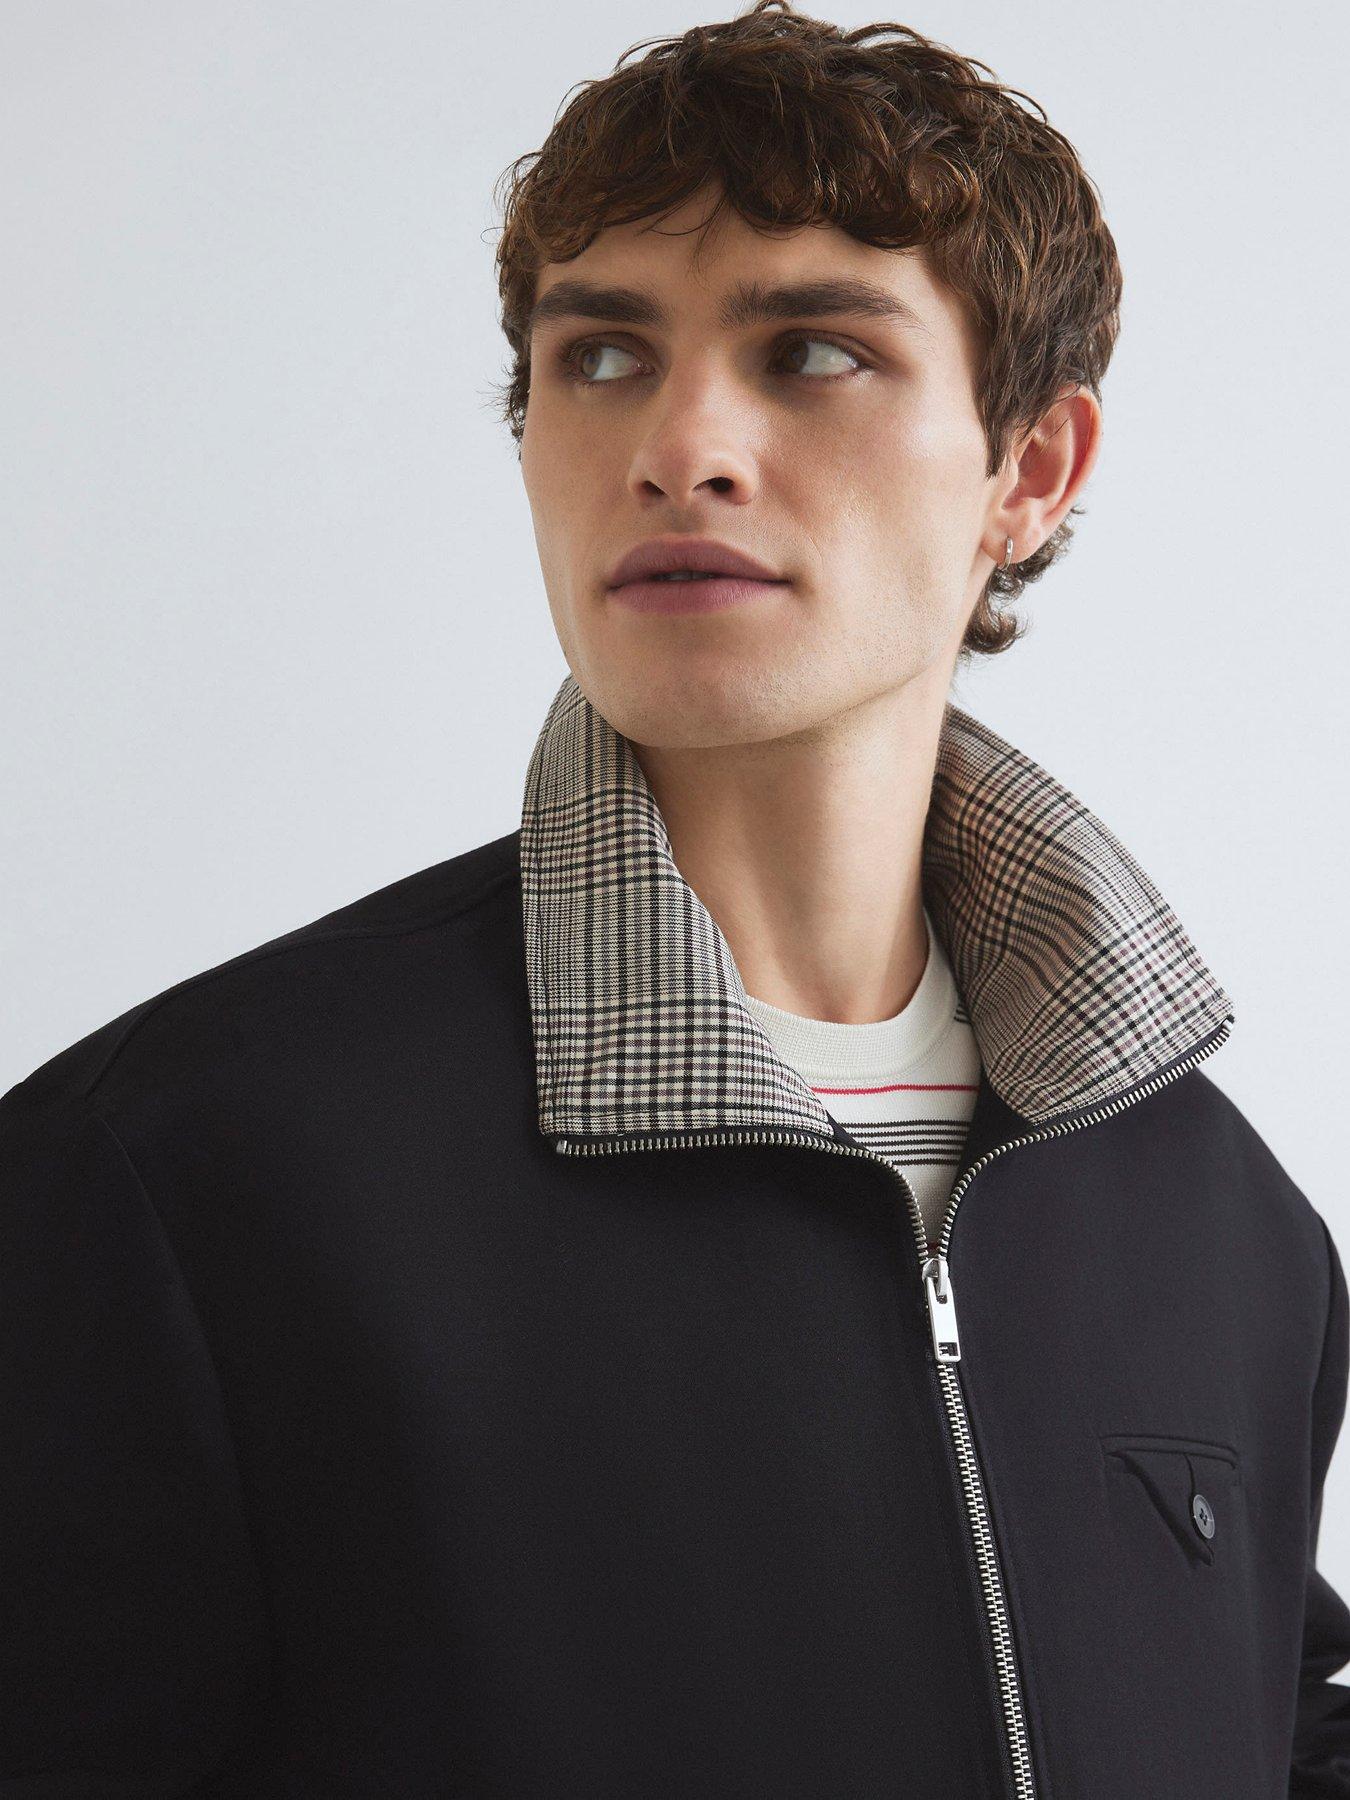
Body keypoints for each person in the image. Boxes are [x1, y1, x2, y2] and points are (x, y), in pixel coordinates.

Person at [3, 2, 1347, 1793]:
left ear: (1027, 472)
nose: (679, 443)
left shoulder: (1217, 1223)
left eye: (812, 352)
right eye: (604, 355)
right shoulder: (180, 1174)